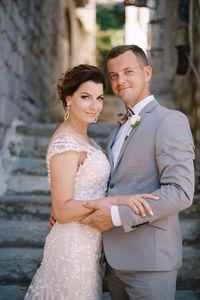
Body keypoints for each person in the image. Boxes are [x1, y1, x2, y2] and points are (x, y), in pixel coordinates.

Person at [24, 64, 158, 300]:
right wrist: (116, 201)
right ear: (69, 99)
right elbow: (62, 210)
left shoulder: (84, 137)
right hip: (71, 248)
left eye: (99, 98)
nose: (94, 105)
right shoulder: (66, 142)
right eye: (85, 97)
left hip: (89, 246)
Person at [77, 45, 195, 300]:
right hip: (113, 262)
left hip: (150, 262)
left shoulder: (170, 120)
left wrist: (118, 216)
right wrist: (70, 209)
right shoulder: (116, 129)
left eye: (128, 71)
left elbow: (180, 192)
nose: (120, 81)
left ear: (148, 73)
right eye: (114, 75)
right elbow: (112, 186)